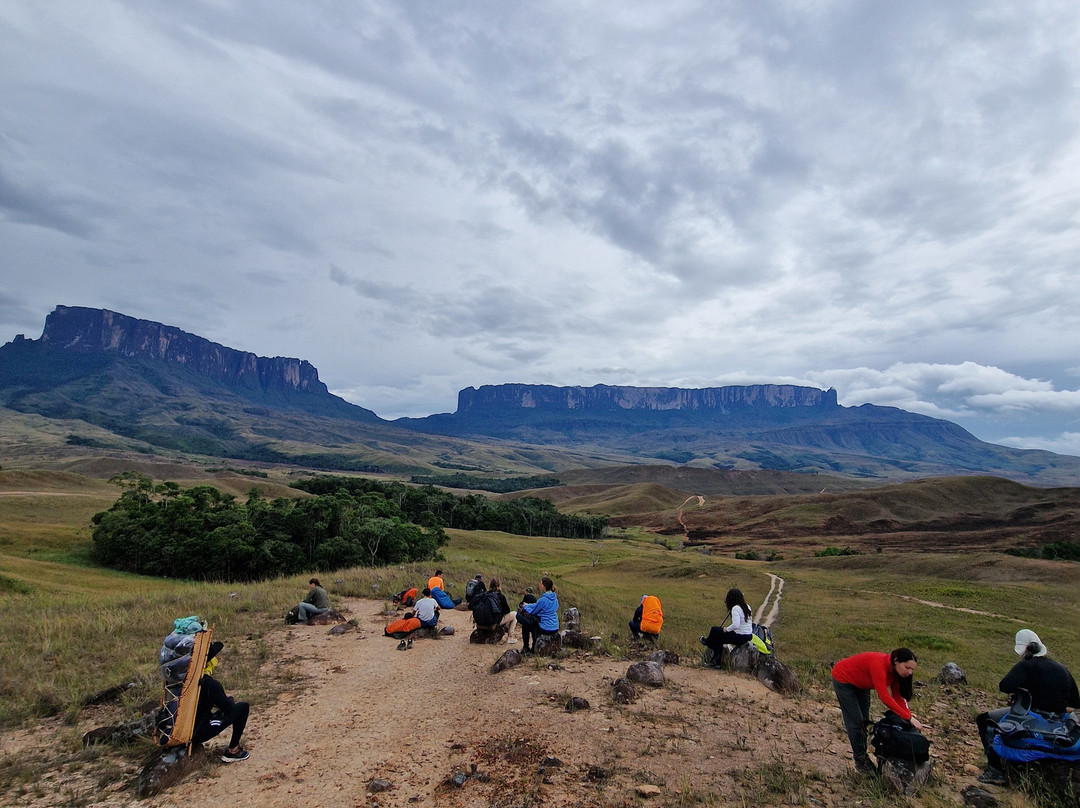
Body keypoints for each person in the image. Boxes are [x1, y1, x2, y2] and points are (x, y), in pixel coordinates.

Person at [975, 629, 1080, 786]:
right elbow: (1075, 702)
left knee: (985, 720)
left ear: (1024, 650)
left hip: (1033, 717)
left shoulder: (1026, 665)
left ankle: (995, 770)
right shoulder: (1063, 669)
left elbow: (1004, 686)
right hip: (1059, 723)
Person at [831, 648, 924, 775]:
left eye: (912, 669)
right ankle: (861, 760)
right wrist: (908, 718)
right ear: (896, 661)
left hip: (862, 685)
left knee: (864, 721)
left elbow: (898, 697)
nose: (909, 672)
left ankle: (863, 755)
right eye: (907, 667)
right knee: (857, 722)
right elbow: (884, 697)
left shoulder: (897, 673)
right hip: (844, 679)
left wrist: (908, 716)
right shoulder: (879, 665)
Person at [191, 641, 250, 763]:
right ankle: (233, 750)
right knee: (242, 707)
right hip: (198, 732)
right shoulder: (210, 684)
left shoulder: (185, 682)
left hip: (182, 730)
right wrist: (229, 700)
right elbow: (228, 708)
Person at [700, 588, 753, 655]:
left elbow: (736, 625)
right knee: (718, 635)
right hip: (748, 635)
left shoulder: (736, 608)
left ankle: (708, 643)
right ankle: (714, 656)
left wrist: (726, 629)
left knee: (714, 630)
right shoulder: (747, 606)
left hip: (740, 637)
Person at [518, 576, 559, 653]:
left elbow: (533, 612)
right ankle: (531, 646)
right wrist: (528, 605)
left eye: (540, 583)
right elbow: (537, 605)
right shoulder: (554, 598)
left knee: (527, 625)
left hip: (546, 627)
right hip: (555, 626)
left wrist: (526, 607)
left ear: (544, 586)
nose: (539, 585)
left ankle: (528, 647)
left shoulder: (543, 600)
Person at [474, 577, 517, 643]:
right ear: (499, 586)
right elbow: (507, 611)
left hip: (480, 623)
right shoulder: (500, 596)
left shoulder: (484, 595)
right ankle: (510, 637)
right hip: (493, 623)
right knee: (514, 614)